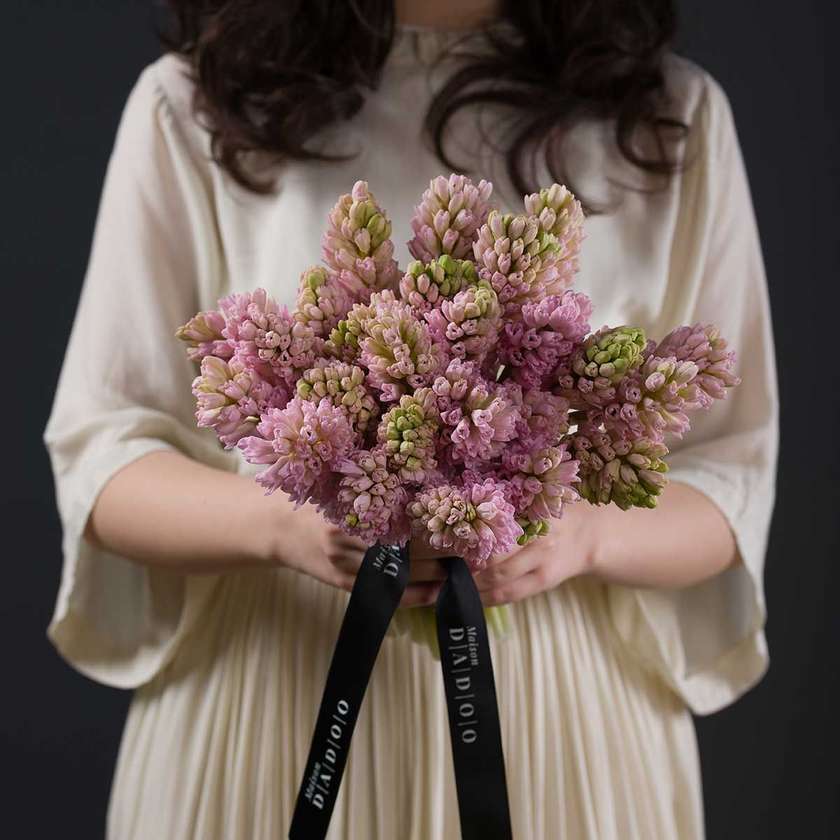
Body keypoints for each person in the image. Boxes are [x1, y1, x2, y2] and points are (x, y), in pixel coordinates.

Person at [44, 0, 778, 837]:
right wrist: (290, 523)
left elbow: (731, 476)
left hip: (558, 732)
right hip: (272, 702)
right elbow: (102, 456)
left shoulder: (669, 116)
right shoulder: (196, 102)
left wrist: (579, 535)